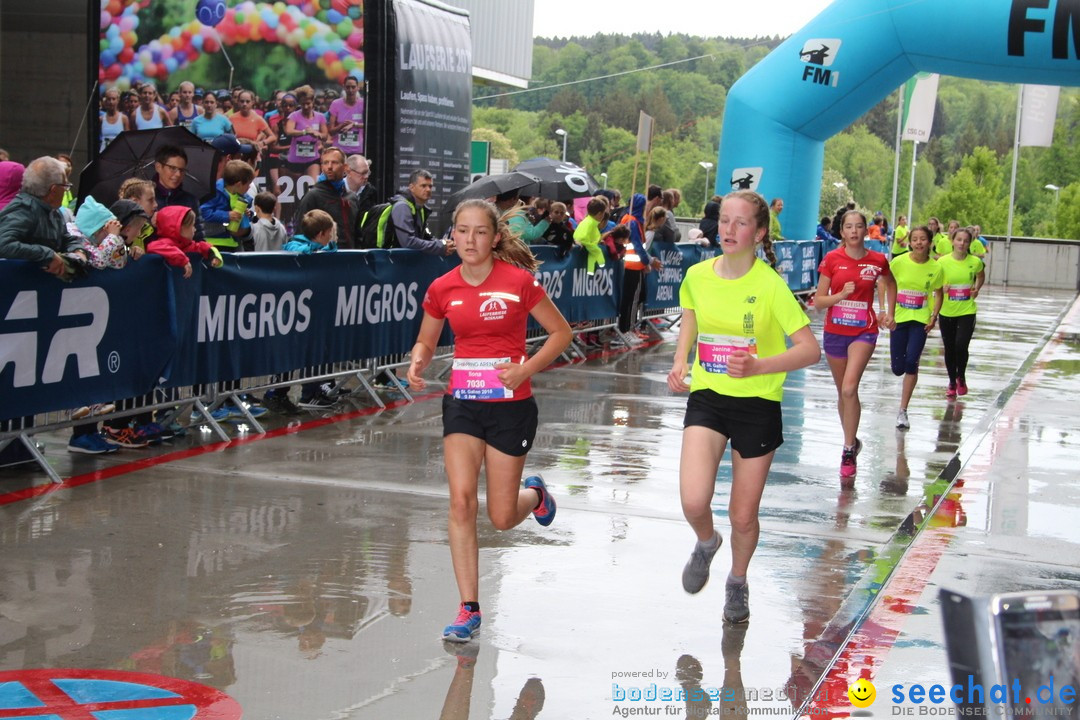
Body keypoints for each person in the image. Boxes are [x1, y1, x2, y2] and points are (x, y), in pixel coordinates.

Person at [406, 199, 572, 642]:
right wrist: (418, 362)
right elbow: (426, 338)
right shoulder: (442, 287)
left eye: (480, 232)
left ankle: (534, 494)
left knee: (500, 516)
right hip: (463, 401)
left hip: (510, 404)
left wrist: (525, 369)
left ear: (495, 237)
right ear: (453, 235)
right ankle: (468, 608)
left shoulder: (518, 281)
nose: (470, 240)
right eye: (462, 231)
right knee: (461, 501)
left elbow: (561, 333)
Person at [667, 190, 820, 623]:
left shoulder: (770, 286)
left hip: (757, 403)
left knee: (743, 513)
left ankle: (737, 580)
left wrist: (758, 367)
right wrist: (682, 361)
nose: (728, 230)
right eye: (724, 221)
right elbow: (691, 316)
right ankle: (706, 541)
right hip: (709, 398)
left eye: (740, 223)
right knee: (694, 500)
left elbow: (810, 351)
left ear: (759, 232)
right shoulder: (697, 274)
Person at [813, 210, 897, 481]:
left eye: (859, 226)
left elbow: (890, 283)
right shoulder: (832, 259)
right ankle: (852, 439)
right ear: (842, 232)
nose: (853, 231)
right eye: (848, 227)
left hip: (864, 330)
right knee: (843, 393)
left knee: (850, 387)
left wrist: (889, 312)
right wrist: (841, 295)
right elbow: (818, 302)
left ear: (865, 230)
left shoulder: (877, 260)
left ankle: (848, 450)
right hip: (835, 331)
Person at [888, 225, 944, 430]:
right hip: (900, 317)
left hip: (920, 319)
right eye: (915, 239)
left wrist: (933, 316)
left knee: (912, 362)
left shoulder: (936, 268)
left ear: (929, 242)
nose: (919, 242)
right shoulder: (899, 262)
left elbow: (939, 292)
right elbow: (885, 282)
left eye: (923, 239)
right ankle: (904, 372)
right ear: (910, 242)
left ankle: (903, 410)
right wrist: (886, 310)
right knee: (897, 368)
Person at [0, 156, 85, 280]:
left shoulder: (53, 211)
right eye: (65, 186)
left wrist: (78, 251)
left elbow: (65, 237)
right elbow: (3, 244)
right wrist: (46, 254)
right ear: (54, 190)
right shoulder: (23, 209)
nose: (66, 191)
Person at [937, 227, 985, 399]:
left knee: (961, 345)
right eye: (959, 240)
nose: (962, 243)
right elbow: (935, 284)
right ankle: (951, 382)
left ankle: (961, 377)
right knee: (949, 348)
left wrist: (977, 289)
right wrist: (942, 288)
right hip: (947, 310)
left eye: (965, 240)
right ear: (952, 241)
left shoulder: (975, 261)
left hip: (967, 310)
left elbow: (981, 275)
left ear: (970, 243)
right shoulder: (942, 262)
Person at [617, 193, 663, 336]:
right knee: (632, 300)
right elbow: (637, 246)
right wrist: (648, 261)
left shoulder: (632, 220)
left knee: (633, 299)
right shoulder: (632, 221)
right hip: (633, 266)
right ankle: (627, 330)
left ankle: (629, 328)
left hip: (634, 265)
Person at [292, 147, 354, 248]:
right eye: (325, 163)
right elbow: (300, 236)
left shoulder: (352, 198)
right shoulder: (312, 196)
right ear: (321, 167)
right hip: (323, 259)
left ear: (345, 167)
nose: (329, 167)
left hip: (351, 258)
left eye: (334, 162)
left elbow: (357, 233)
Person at [146, 205, 222, 278]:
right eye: (192, 225)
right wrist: (182, 259)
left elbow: (202, 246)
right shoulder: (164, 243)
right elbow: (152, 247)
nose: (195, 229)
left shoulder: (187, 244)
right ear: (179, 227)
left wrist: (213, 256)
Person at [388, 169, 453, 255]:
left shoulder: (420, 208)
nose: (428, 190)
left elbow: (424, 237)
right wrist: (440, 246)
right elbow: (408, 242)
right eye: (423, 186)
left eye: (430, 186)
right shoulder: (402, 207)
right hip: (391, 262)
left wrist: (443, 243)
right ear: (411, 187)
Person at [200, 159, 255, 252]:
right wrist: (227, 215)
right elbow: (204, 212)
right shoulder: (215, 192)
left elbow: (242, 220)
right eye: (248, 184)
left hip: (233, 243)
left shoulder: (241, 197)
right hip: (214, 244)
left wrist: (249, 214)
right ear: (239, 184)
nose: (249, 187)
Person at [153, 145, 206, 242]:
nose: (178, 174)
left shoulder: (190, 201)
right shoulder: (146, 199)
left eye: (182, 170)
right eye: (172, 168)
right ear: (158, 167)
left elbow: (199, 237)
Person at [285, 85, 328, 182]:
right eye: (303, 104)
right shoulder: (294, 116)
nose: (305, 106)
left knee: (312, 186)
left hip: (313, 159)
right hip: (295, 159)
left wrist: (317, 134)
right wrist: (304, 132)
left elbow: (325, 136)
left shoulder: (320, 117)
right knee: (296, 193)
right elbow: (289, 131)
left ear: (313, 101)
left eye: (308, 103)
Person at [328, 75, 365, 156]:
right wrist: (342, 125)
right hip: (339, 150)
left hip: (357, 150)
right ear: (344, 87)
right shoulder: (336, 104)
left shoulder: (364, 103)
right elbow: (331, 131)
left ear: (358, 88)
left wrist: (354, 124)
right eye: (348, 87)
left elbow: (369, 125)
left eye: (353, 87)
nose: (350, 90)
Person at [572, 196, 608, 274]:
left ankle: (590, 271)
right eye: (603, 213)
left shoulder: (591, 222)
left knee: (592, 255)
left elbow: (593, 235)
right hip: (585, 242)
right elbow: (582, 236)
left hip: (587, 242)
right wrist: (589, 243)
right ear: (599, 214)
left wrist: (598, 241)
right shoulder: (589, 222)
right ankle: (602, 263)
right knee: (597, 251)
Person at [345, 154, 378, 234]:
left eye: (368, 172)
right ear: (348, 172)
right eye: (363, 173)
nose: (366, 176)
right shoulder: (336, 190)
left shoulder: (370, 191)